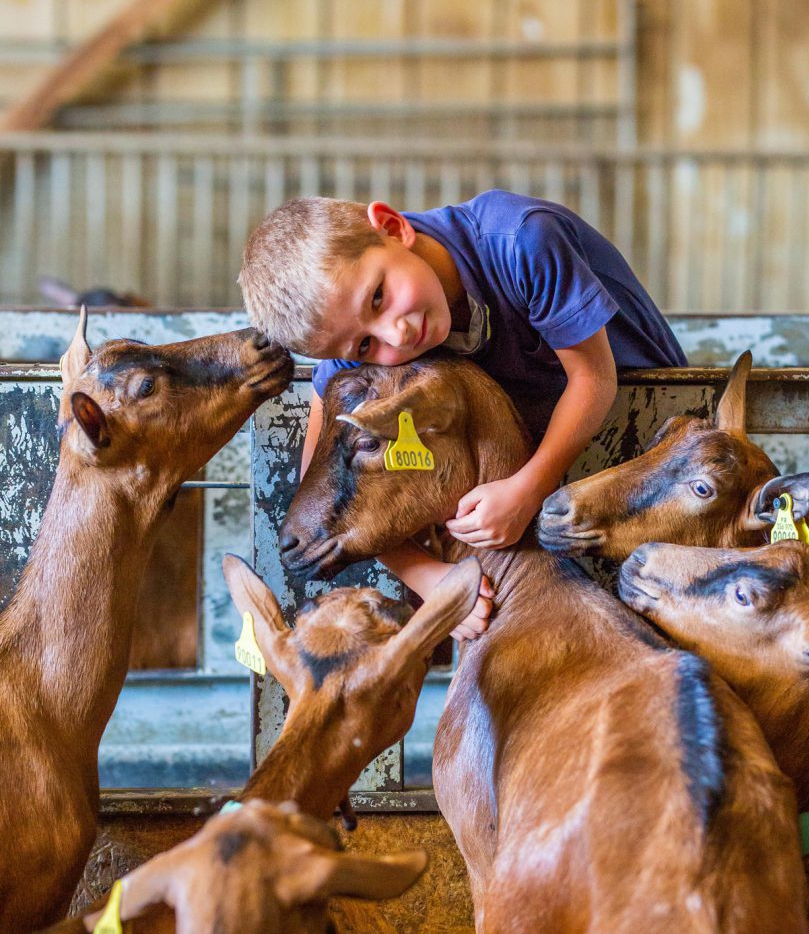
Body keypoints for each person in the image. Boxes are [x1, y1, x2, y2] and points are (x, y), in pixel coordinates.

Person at [239, 190, 686, 639]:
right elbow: (327, 469)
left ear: (394, 227)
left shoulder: (522, 240)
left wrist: (527, 490)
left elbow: (594, 380)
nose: (398, 333)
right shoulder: (350, 336)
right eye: (363, 346)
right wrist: (428, 577)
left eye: (378, 297)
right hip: (531, 487)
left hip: (650, 453)